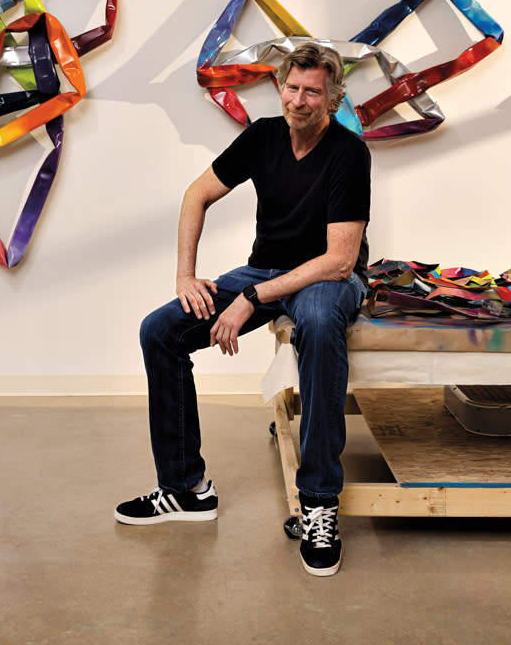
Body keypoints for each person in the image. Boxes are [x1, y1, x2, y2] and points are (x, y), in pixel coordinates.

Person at [114, 42, 371, 577]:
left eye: (312, 92)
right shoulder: (262, 136)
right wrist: (186, 275)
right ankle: (185, 489)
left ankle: (320, 503)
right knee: (159, 330)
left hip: (324, 274)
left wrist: (250, 298)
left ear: (333, 97)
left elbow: (341, 259)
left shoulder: (349, 152)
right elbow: (195, 195)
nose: (299, 100)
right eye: (292, 88)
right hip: (267, 269)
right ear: (281, 87)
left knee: (320, 323)